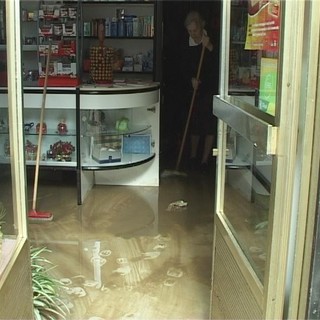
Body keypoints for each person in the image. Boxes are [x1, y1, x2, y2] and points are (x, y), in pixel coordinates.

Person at [180, 11, 218, 172]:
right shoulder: (186, 43)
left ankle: (204, 160)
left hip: (209, 88)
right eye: (190, 31)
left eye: (195, 30)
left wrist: (209, 46)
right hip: (193, 89)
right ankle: (193, 157)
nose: (192, 33)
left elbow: (219, 63)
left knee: (209, 124)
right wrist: (191, 79)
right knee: (194, 124)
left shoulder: (212, 39)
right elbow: (180, 66)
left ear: (201, 27)